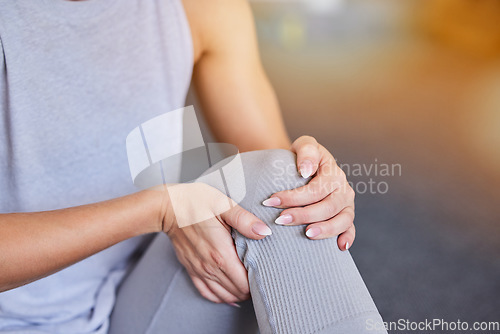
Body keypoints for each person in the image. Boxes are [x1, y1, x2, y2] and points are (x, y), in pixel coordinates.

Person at [0, 0, 386, 333]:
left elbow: (277, 188)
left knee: (280, 188)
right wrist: (159, 210)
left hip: (133, 302)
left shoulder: (203, 8)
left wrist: (317, 185)